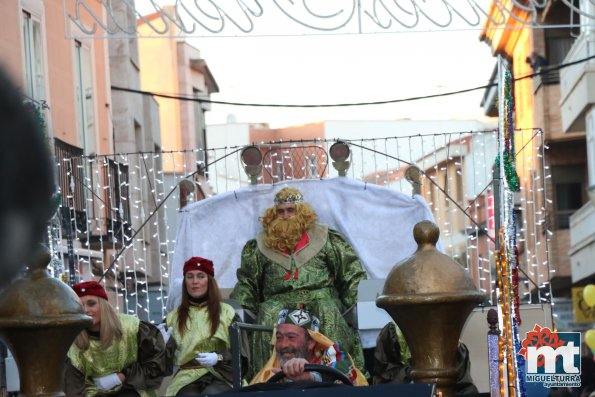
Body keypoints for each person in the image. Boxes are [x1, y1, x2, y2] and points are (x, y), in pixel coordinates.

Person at [230, 187, 367, 376]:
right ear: (273, 214)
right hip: (277, 303)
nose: (285, 215)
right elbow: (247, 282)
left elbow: (350, 272)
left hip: (320, 299)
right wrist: (235, 310)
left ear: (301, 211)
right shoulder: (259, 246)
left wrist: (359, 301)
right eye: (281, 211)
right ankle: (269, 379)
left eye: (290, 210)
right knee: (267, 312)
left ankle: (335, 377)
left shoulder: (326, 238)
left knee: (327, 310)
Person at [64, 281, 171, 397]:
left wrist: (122, 376)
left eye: (91, 303)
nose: (86, 310)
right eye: (80, 306)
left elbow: (156, 364)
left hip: (133, 390)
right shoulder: (72, 343)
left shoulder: (132, 328)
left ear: (103, 305)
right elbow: (74, 388)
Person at [164, 256, 247, 396]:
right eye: (190, 276)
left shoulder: (228, 313)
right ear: (185, 282)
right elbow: (163, 365)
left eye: (200, 276)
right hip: (187, 378)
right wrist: (161, 346)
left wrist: (218, 357)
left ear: (209, 280)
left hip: (224, 375)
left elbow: (242, 354)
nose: (195, 282)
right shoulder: (173, 318)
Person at [251, 306, 368, 386]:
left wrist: (310, 376)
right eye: (279, 337)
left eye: (291, 337)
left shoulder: (332, 353)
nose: (283, 345)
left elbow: (341, 374)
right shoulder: (272, 369)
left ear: (311, 342)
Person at [373, 321, 478, 394]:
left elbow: (464, 387)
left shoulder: (450, 337)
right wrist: (412, 373)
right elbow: (385, 384)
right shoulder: (393, 333)